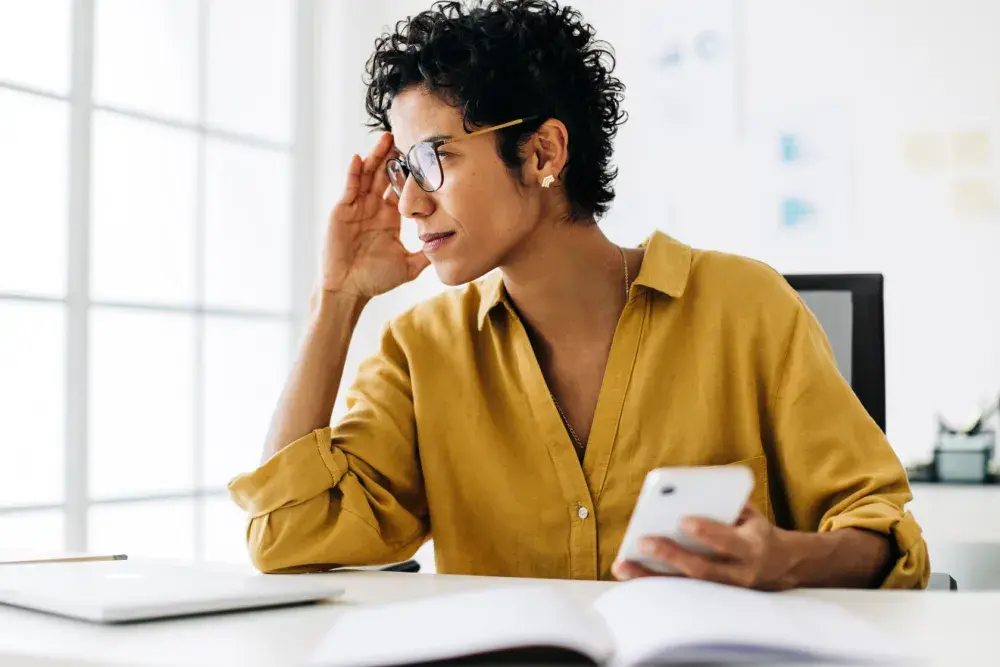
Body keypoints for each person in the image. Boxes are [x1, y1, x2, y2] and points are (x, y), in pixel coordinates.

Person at [228, 0, 928, 589]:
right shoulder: (419, 350)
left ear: (542, 154)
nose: (408, 202)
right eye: (401, 169)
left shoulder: (745, 304)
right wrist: (337, 297)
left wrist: (783, 558)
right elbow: (286, 535)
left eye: (433, 160)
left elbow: (885, 534)